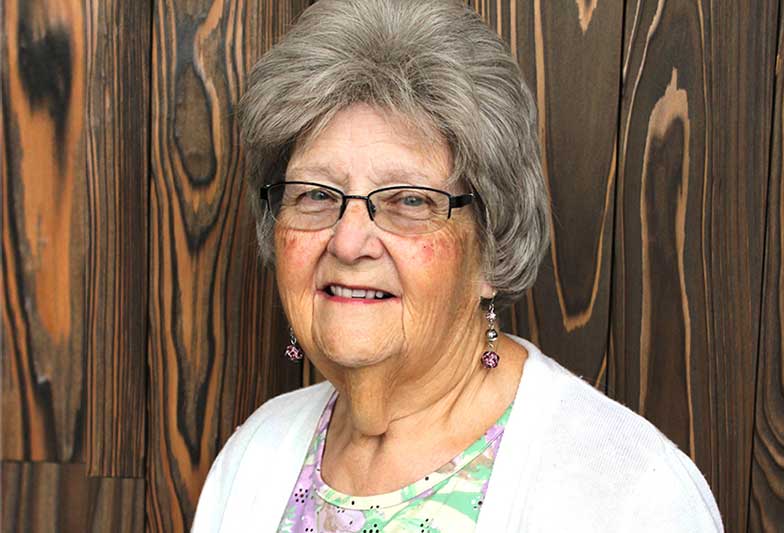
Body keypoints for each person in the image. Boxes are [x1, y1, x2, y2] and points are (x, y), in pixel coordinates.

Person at [193, 0, 723, 531]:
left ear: (491, 245)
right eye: (315, 194)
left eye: (410, 201)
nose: (349, 242)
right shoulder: (255, 456)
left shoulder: (627, 495)